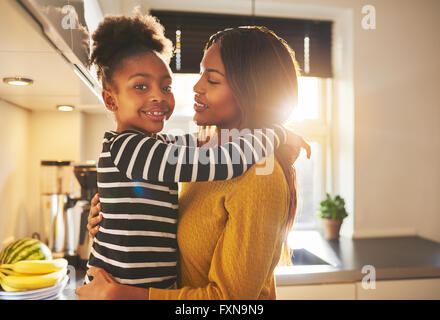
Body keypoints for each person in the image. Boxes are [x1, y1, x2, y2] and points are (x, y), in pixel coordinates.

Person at [75, 14, 309, 295]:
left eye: (211, 80)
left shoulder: (259, 174)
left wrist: (127, 295)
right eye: (141, 86)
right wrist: (114, 219)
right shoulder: (195, 156)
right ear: (110, 99)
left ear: (249, 91)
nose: (196, 87)